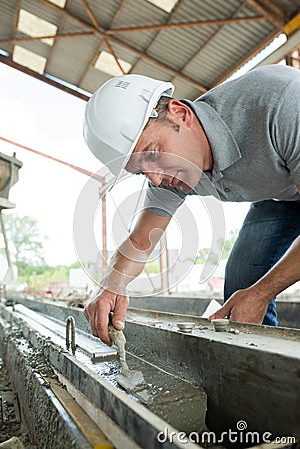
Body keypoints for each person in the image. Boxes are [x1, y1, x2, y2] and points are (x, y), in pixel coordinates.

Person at [83, 65, 300, 346]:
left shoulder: (281, 102)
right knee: (242, 277)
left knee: (257, 291)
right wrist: (111, 285)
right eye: (140, 170)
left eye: (153, 152)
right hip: (281, 196)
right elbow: (140, 240)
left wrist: (262, 292)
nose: (156, 177)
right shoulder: (168, 174)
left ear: (180, 114)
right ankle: (266, 371)